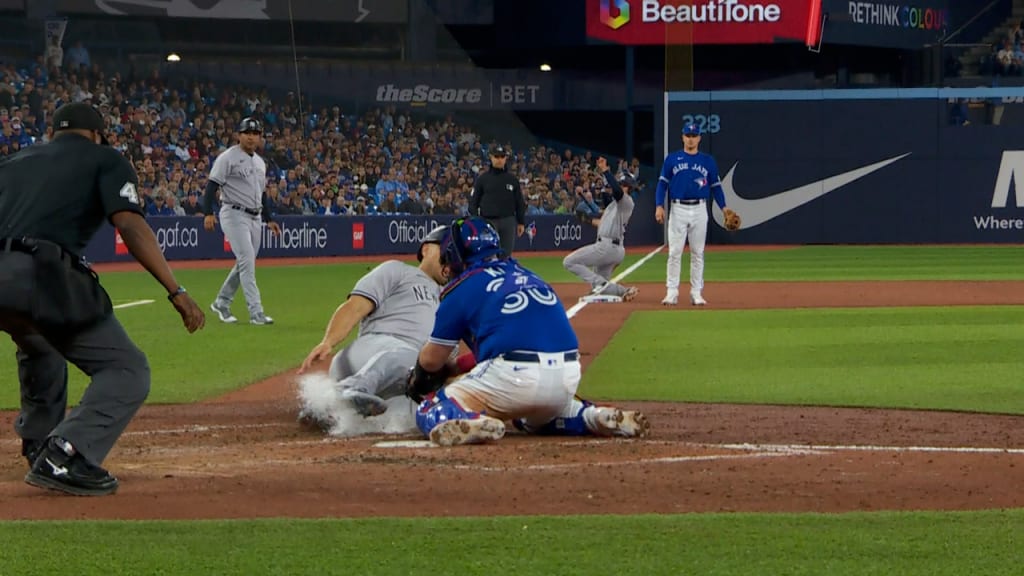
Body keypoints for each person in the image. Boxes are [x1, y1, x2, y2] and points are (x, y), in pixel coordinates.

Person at [0, 102, 205, 496]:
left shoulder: (13, 161)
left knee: (39, 343)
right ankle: (66, 455)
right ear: (96, 135)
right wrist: (175, 291)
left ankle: (38, 440)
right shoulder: (105, 158)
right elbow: (129, 223)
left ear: (52, 134)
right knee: (127, 369)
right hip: (42, 273)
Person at [404, 217, 649, 446]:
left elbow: (431, 360)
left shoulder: (461, 287)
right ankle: (591, 415)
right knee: (528, 418)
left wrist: (421, 378)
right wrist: (457, 366)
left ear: (455, 255)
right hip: (567, 374)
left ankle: (472, 420)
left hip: (512, 376)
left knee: (430, 408)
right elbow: (511, 340)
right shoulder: (527, 274)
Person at [296, 225, 455, 422]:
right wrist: (328, 341)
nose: (452, 259)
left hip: (404, 380)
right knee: (415, 357)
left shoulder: (452, 300)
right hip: (367, 355)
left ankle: (330, 413)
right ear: (426, 249)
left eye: (457, 255)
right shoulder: (398, 270)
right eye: (447, 251)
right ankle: (351, 387)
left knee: (418, 411)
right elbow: (355, 307)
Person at [203, 117, 281, 325]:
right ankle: (256, 313)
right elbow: (211, 186)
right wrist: (207, 213)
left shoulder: (259, 162)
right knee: (247, 261)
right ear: (239, 135)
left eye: (255, 134)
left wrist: (268, 219)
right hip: (234, 213)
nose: (251, 137)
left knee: (245, 263)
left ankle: (221, 302)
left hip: (255, 216)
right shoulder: (227, 157)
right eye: (247, 133)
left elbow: (261, 193)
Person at [655, 122, 729, 306]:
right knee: (674, 252)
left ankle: (696, 293)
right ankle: (672, 292)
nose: (690, 139)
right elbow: (662, 184)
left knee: (698, 253)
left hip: (699, 209)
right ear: (682, 137)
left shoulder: (707, 161)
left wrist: (724, 208)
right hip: (678, 208)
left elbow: (716, 187)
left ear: (699, 138)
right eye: (688, 135)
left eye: (693, 136)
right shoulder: (672, 159)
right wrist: (659, 206)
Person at [563, 156, 638, 301]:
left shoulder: (626, 202)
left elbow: (616, 190)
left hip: (607, 247)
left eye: (621, 183)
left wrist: (605, 170)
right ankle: (623, 290)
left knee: (569, 262)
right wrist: (586, 219)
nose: (616, 185)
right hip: (612, 247)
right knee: (600, 291)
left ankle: (600, 283)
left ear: (626, 186)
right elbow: (601, 223)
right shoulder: (614, 206)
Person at [468, 144, 526, 258]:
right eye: (497, 157)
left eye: (502, 157)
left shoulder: (512, 179)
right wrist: (477, 220)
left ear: (505, 158)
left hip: (508, 221)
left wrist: (521, 222)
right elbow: (473, 203)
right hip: (488, 221)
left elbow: (519, 202)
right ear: (491, 157)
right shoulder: (483, 179)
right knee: (487, 256)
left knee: (505, 256)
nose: (499, 160)